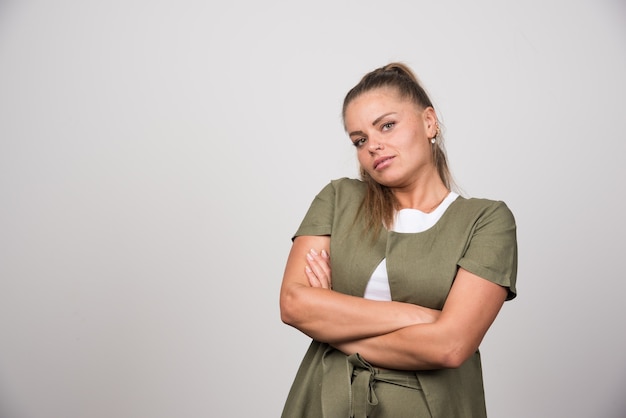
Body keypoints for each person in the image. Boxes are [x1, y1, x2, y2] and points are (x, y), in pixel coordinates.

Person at [279, 62, 517, 418]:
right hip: (323, 402)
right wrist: (420, 318)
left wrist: (331, 321)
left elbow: (450, 346)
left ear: (429, 122)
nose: (373, 146)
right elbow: (294, 304)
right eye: (360, 140)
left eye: (387, 125)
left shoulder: (486, 220)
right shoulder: (338, 199)